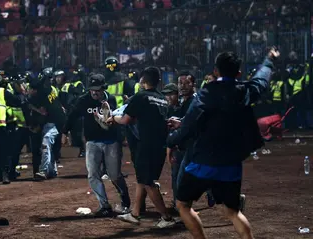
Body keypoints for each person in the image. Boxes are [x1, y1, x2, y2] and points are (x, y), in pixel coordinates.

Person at [166, 47, 280, 238]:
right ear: (239, 73)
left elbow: (188, 126)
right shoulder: (245, 91)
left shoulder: (206, 93)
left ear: (216, 71)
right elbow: (261, 81)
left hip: (202, 162)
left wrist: (172, 141)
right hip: (231, 164)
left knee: (183, 205)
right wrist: (269, 61)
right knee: (233, 212)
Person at [107, 66, 176, 228]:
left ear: (143, 81)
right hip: (160, 146)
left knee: (148, 182)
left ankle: (166, 218)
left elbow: (125, 120)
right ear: (159, 81)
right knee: (142, 179)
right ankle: (135, 213)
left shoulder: (141, 96)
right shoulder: (162, 99)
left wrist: (113, 118)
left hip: (146, 145)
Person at [66, 73, 131, 217]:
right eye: (92, 89)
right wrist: (64, 132)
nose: (94, 92)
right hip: (92, 142)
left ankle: (125, 201)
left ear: (103, 88)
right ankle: (105, 206)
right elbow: (72, 115)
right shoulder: (83, 100)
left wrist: (106, 122)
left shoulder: (111, 99)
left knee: (114, 175)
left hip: (111, 142)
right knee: (93, 175)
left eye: (97, 89)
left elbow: (112, 121)